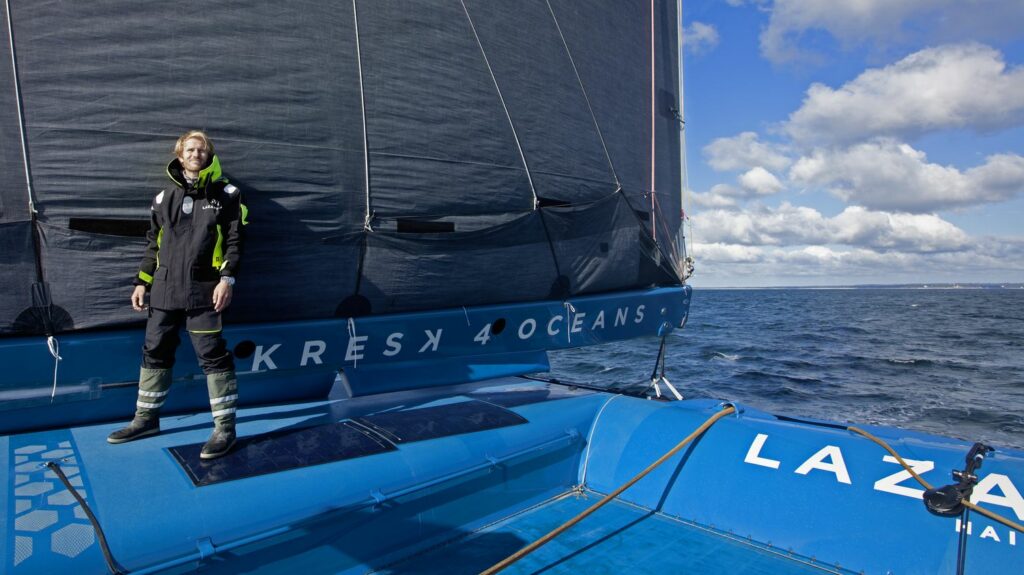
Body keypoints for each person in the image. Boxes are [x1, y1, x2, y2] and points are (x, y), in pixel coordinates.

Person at [107, 130, 247, 459]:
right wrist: (142, 282)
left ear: (209, 155)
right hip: (165, 290)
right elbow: (152, 244)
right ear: (180, 155)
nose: (196, 154)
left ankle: (225, 427)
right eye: (190, 150)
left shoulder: (228, 195)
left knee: (212, 355)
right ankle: (146, 419)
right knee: (155, 350)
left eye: (201, 150)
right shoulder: (162, 198)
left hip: (205, 292)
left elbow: (236, 243)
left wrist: (227, 280)